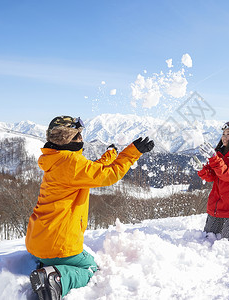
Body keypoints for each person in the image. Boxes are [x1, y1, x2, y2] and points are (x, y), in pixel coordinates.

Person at [25, 116, 154, 300]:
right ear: (70, 138)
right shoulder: (71, 163)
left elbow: (92, 169)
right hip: (58, 244)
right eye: (79, 135)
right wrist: (132, 153)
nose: (82, 139)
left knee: (79, 257)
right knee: (91, 269)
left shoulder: (56, 159)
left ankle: (49, 266)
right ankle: (55, 278)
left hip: (38, 239)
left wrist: (111, 154)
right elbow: (109, 175)